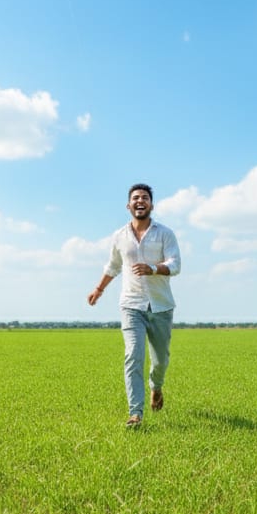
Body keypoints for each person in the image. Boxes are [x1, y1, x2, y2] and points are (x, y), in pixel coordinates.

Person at [87, 183, 181, 428]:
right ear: (129, 205)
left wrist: (153, 268)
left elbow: (176, 264)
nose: (141, 201)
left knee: (160, 361)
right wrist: (99, 289)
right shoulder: (119, 236)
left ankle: (156, 386)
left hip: (160, 306)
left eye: (145, 198)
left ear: (151, 204)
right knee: (133, 356)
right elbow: (113, 266)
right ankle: (135, 413)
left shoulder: (165, 234)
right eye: (136, 198)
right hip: (131, 305)